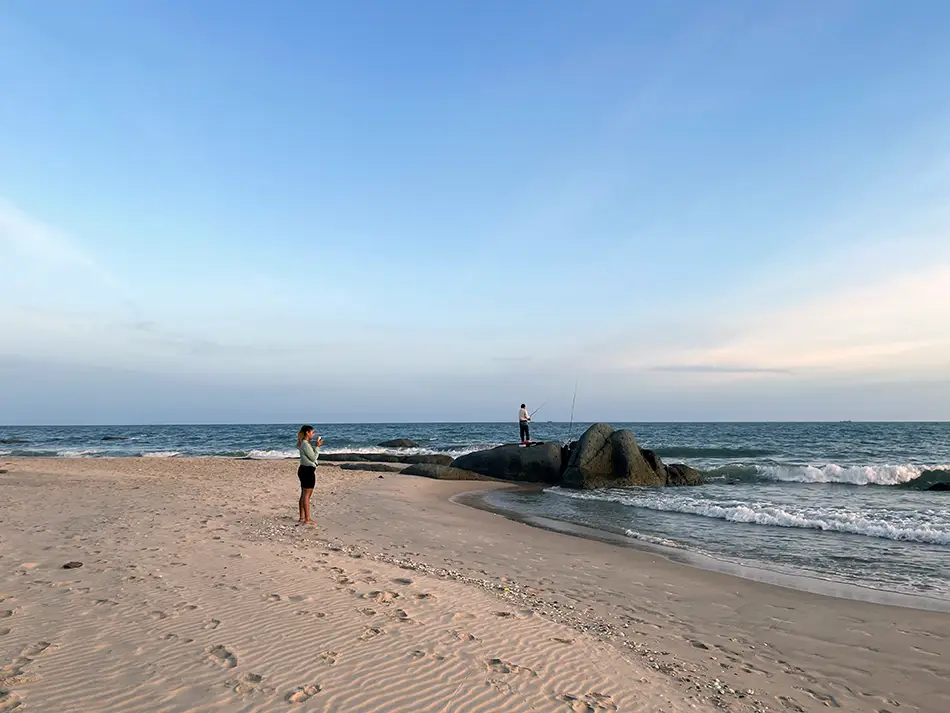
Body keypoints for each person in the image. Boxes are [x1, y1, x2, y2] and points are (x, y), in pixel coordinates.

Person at [296, 425, 322, 525]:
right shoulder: (305, 444)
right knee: (306, 495)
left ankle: (302, 517)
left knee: (303, 494)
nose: (313, 434)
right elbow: (313, 457)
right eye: (312, 432)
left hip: (303, 469)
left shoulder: (302, 443)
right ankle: (307, 519)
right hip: (307, 470)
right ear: (307, 432)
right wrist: (317, 447)